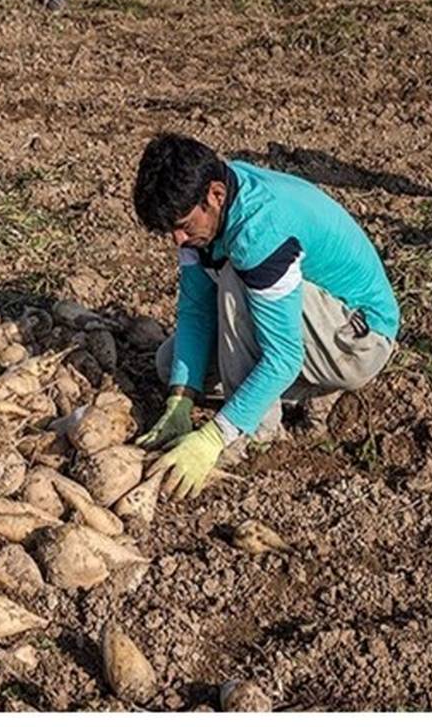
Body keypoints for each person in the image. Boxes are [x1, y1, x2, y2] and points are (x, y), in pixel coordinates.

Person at [131, 133, 400, 501]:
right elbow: (195, 312)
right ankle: (309, 392)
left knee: (234, 275)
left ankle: (257, 431)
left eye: (183, 225)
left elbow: (284, 355)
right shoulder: (206, 216)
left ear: (215, 195)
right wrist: (180, 401)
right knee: (170, 365)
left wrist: (216, 434)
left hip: (358, 338)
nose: (177, 239)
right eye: (170, 231)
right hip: (303, 323)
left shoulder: (258, 229)